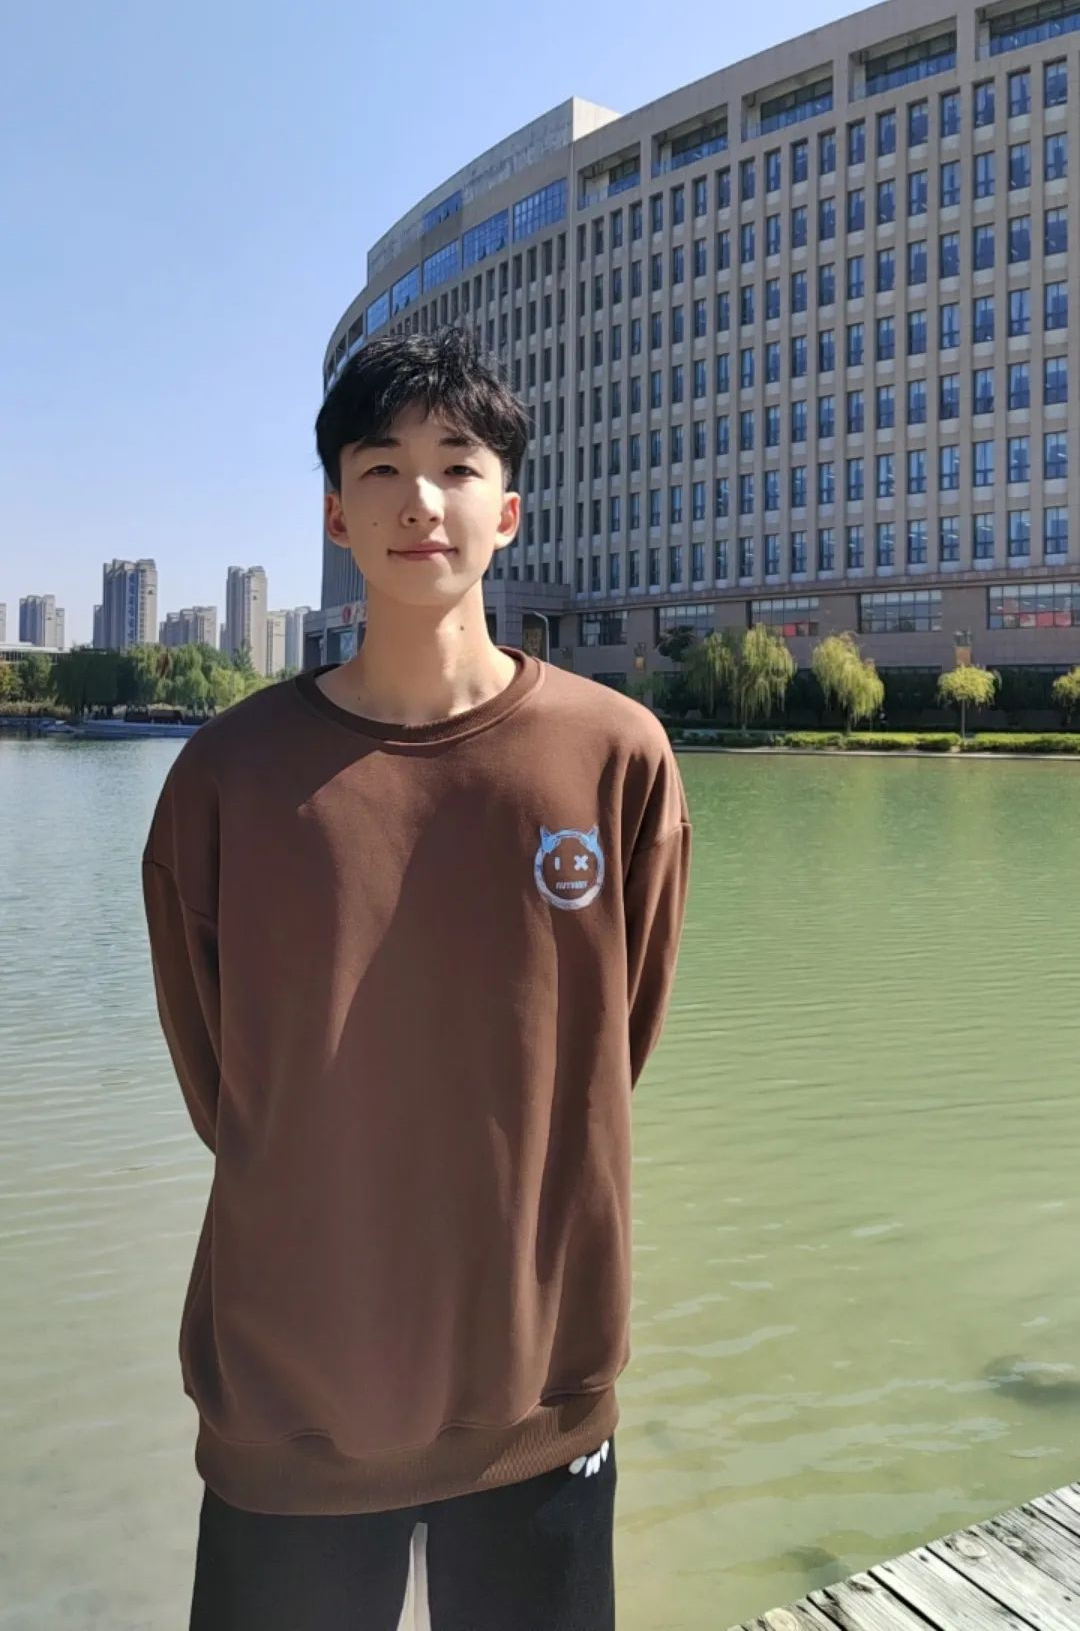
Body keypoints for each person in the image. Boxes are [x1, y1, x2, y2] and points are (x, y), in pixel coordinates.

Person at [142, 325, 692, 1630]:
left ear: (508, 511)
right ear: (336, 514)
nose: (419, 499)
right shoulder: (229, 776)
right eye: (380, 467)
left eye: (456, 463)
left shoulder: (616, 755)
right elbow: (224, 1085)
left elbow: (612, 1043)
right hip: (294, 1399)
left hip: (539, 1391)